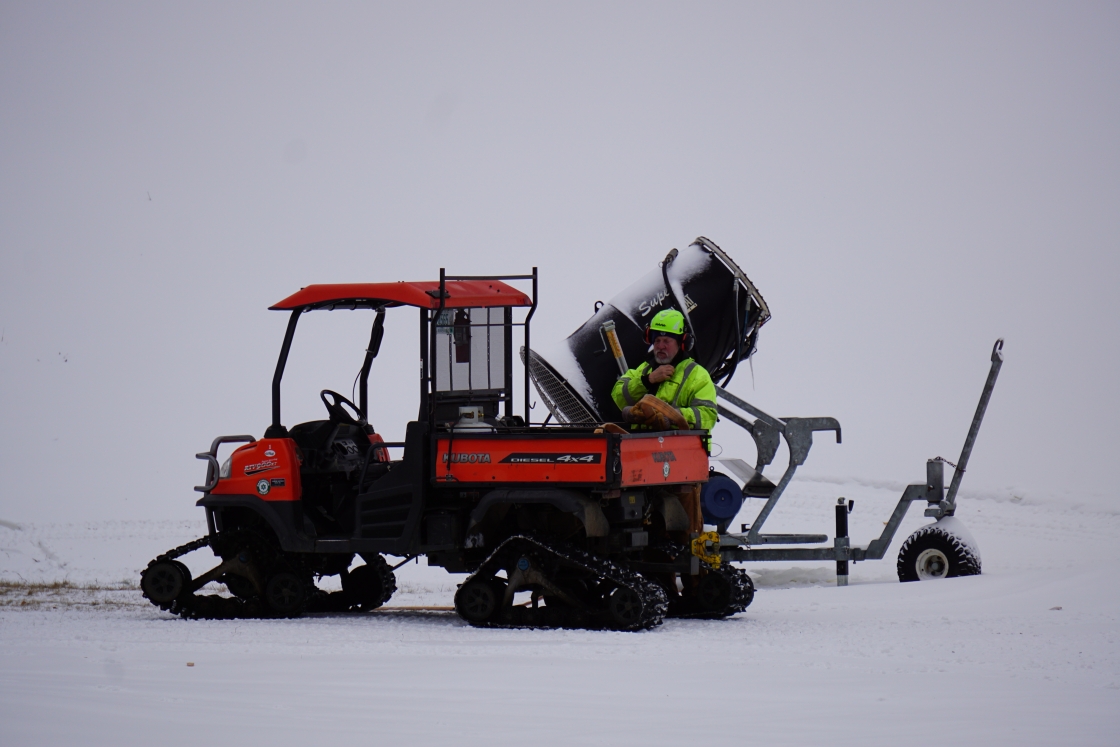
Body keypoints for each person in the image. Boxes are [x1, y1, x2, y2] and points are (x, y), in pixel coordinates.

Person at [611, 309, 718, 433]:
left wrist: (671, 416)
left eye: (666, 341)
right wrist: (648, 380)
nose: (660, 346)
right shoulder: (644, 369)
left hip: (681, 450)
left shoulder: (698, 375)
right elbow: (618, 396)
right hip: (643, 446)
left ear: (682, 343)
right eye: (657, 340)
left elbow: (708, 416)